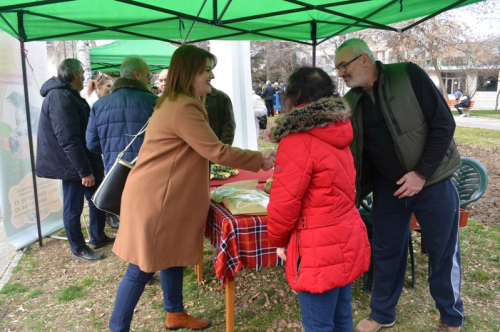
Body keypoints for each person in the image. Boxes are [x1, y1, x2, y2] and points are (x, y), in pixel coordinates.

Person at [108, 44, 276, 332]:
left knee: (171, 255)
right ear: (189, 74)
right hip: (157, 199)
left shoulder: (177, 101)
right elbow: (217, 151)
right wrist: (259, 159)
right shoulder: (184, 106)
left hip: (162, 196)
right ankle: (116, 327)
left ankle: (175, 313)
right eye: (206, 70)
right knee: (141, 267)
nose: (211, 75)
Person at [334, 38, 462, 332]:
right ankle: (382, 313)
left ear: (365, 60)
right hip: (388, 190)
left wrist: (421, 174)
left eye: (344, 65)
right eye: (337, 68)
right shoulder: (351, 102)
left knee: (443, 253)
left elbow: (444, 124)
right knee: (386, 251)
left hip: (433, 183)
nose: (341, 73)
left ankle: (451, 318)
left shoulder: (408, 74)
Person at [267, 66, 370, 332]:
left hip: (317, 245)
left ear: (295, 95)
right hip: (345, 235)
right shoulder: (338, 129)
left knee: (319, 325)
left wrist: (278, 240)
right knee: (340, 317)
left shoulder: (298, 139)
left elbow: (284, 202)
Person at [36, 58, 115, 262]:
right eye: (81, 72)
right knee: (73, 207)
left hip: (84, 160)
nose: (84, 77)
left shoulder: (69, 95)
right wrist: (84, 171)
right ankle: (78, 248)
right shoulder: (59, 96)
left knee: (97, 199)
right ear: (74, 76)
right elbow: (68, 138)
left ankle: (97, 237)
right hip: (71, 165)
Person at [86, 54, 157, 180]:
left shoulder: (99, 105)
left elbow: (92, 144)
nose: (149, 81)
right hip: (147, 173)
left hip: (114, 175)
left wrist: (111, 147)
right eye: (148, 76)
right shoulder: (155, 103)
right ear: (137, 74)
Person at [85, 73, 119, 229]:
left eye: (112, 86)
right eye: (108, 86)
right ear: (98, 86)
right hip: (95, 156)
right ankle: (108, 216)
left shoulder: (103, 103)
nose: (110, 90)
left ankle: (110, 217)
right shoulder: (92, 104)